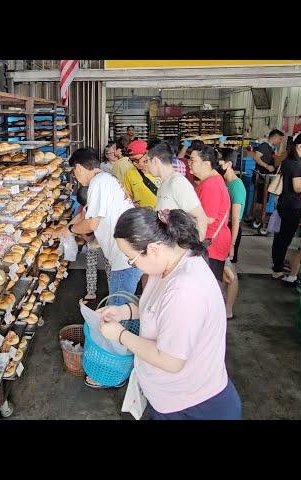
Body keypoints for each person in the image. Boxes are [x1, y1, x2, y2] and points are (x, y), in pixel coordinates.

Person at [98, 207, 242, 420]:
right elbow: (158, 308)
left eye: (131, 258)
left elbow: (170, 360)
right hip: (172, 397)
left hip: (193, 406)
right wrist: (124, 311)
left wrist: (120, 335)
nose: (133, 264)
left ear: (154, 248)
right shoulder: (169, 263)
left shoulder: (184, 290)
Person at [60, 147, 142, 305]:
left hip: (125, 257)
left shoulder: (97, 183)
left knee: (116, 313)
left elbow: (91, 224)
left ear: (78, 168)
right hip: (131, 253)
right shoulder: (106, 178)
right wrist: (64, 229)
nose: (75, 177)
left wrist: (70, 230)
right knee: (119, 308)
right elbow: (85, 213)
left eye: (74, 172)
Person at [271, 133, 301, 279]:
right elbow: (297, 188)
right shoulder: (296, 164)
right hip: (291, 206)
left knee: (279, 238)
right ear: (299, 146)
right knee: (284, 239)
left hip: (284, 203)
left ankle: (277, 266)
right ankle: (277, 270)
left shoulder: (287, 160)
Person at [146, 141, 208, 240]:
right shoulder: (164, 184)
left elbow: (201, 218)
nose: (146, 165)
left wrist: (193, 250)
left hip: (181, 249)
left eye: (147, 161)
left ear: (155, 161)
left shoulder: (177, 183)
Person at [188, 145, 232, 280]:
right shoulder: (210, 181)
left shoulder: (211, 184)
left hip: (211, 244)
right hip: (212, 242)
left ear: (206, 164)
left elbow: (208, 218)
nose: (189, 163)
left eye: (192, 160)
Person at [71, 186, 112, 305]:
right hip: (97, 238)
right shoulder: (83, 209)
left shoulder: (100, 207)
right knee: (104, 265)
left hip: (103, 238)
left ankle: (92, 292)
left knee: (94, 264)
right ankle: (105, 291)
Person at [219, 148, 246, 319]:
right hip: (225, 230)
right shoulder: (225, 182)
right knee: (224, 270)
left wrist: (232, 244)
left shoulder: (237, 186)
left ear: (228, 164)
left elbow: (235, 219)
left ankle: (228, 309)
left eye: (219, 162)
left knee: (230, 272)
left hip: (230, 232)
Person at [123, 144, 160, 208]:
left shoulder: (160, 169)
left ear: (146, 155)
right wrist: (131, 204)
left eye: (136, 160)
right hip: (142, 214)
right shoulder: (129, 173)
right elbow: (127, 195)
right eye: (132, 161)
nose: (134, 163)